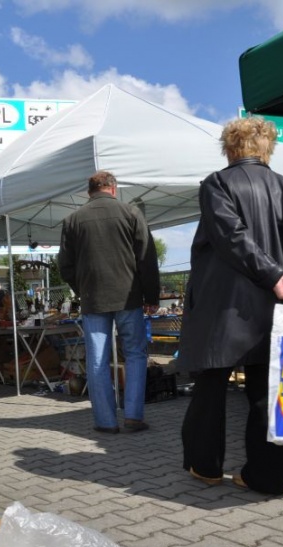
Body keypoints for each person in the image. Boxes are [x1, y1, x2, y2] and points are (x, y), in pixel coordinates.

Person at [178, 117, 283, 495]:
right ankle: (267, 476)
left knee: (211, 387)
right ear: (268, 149)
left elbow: (230, 235)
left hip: (226, 307)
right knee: (269, 392)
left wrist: (272, 275)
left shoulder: (217, 183)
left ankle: (206, 466)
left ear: (229, 148)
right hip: (281, 308)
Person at [59, 171, 160, 434]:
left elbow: (65, 266)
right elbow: (147, 259)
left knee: (97, 360)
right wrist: (152, 297)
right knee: (136, 354)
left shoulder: (72, 220)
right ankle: (133, 417)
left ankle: (105, 420)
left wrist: (81, 288)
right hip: (129, 297)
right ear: (113, 189)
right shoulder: (132, 214)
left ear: (89, 191)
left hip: (93, 299)